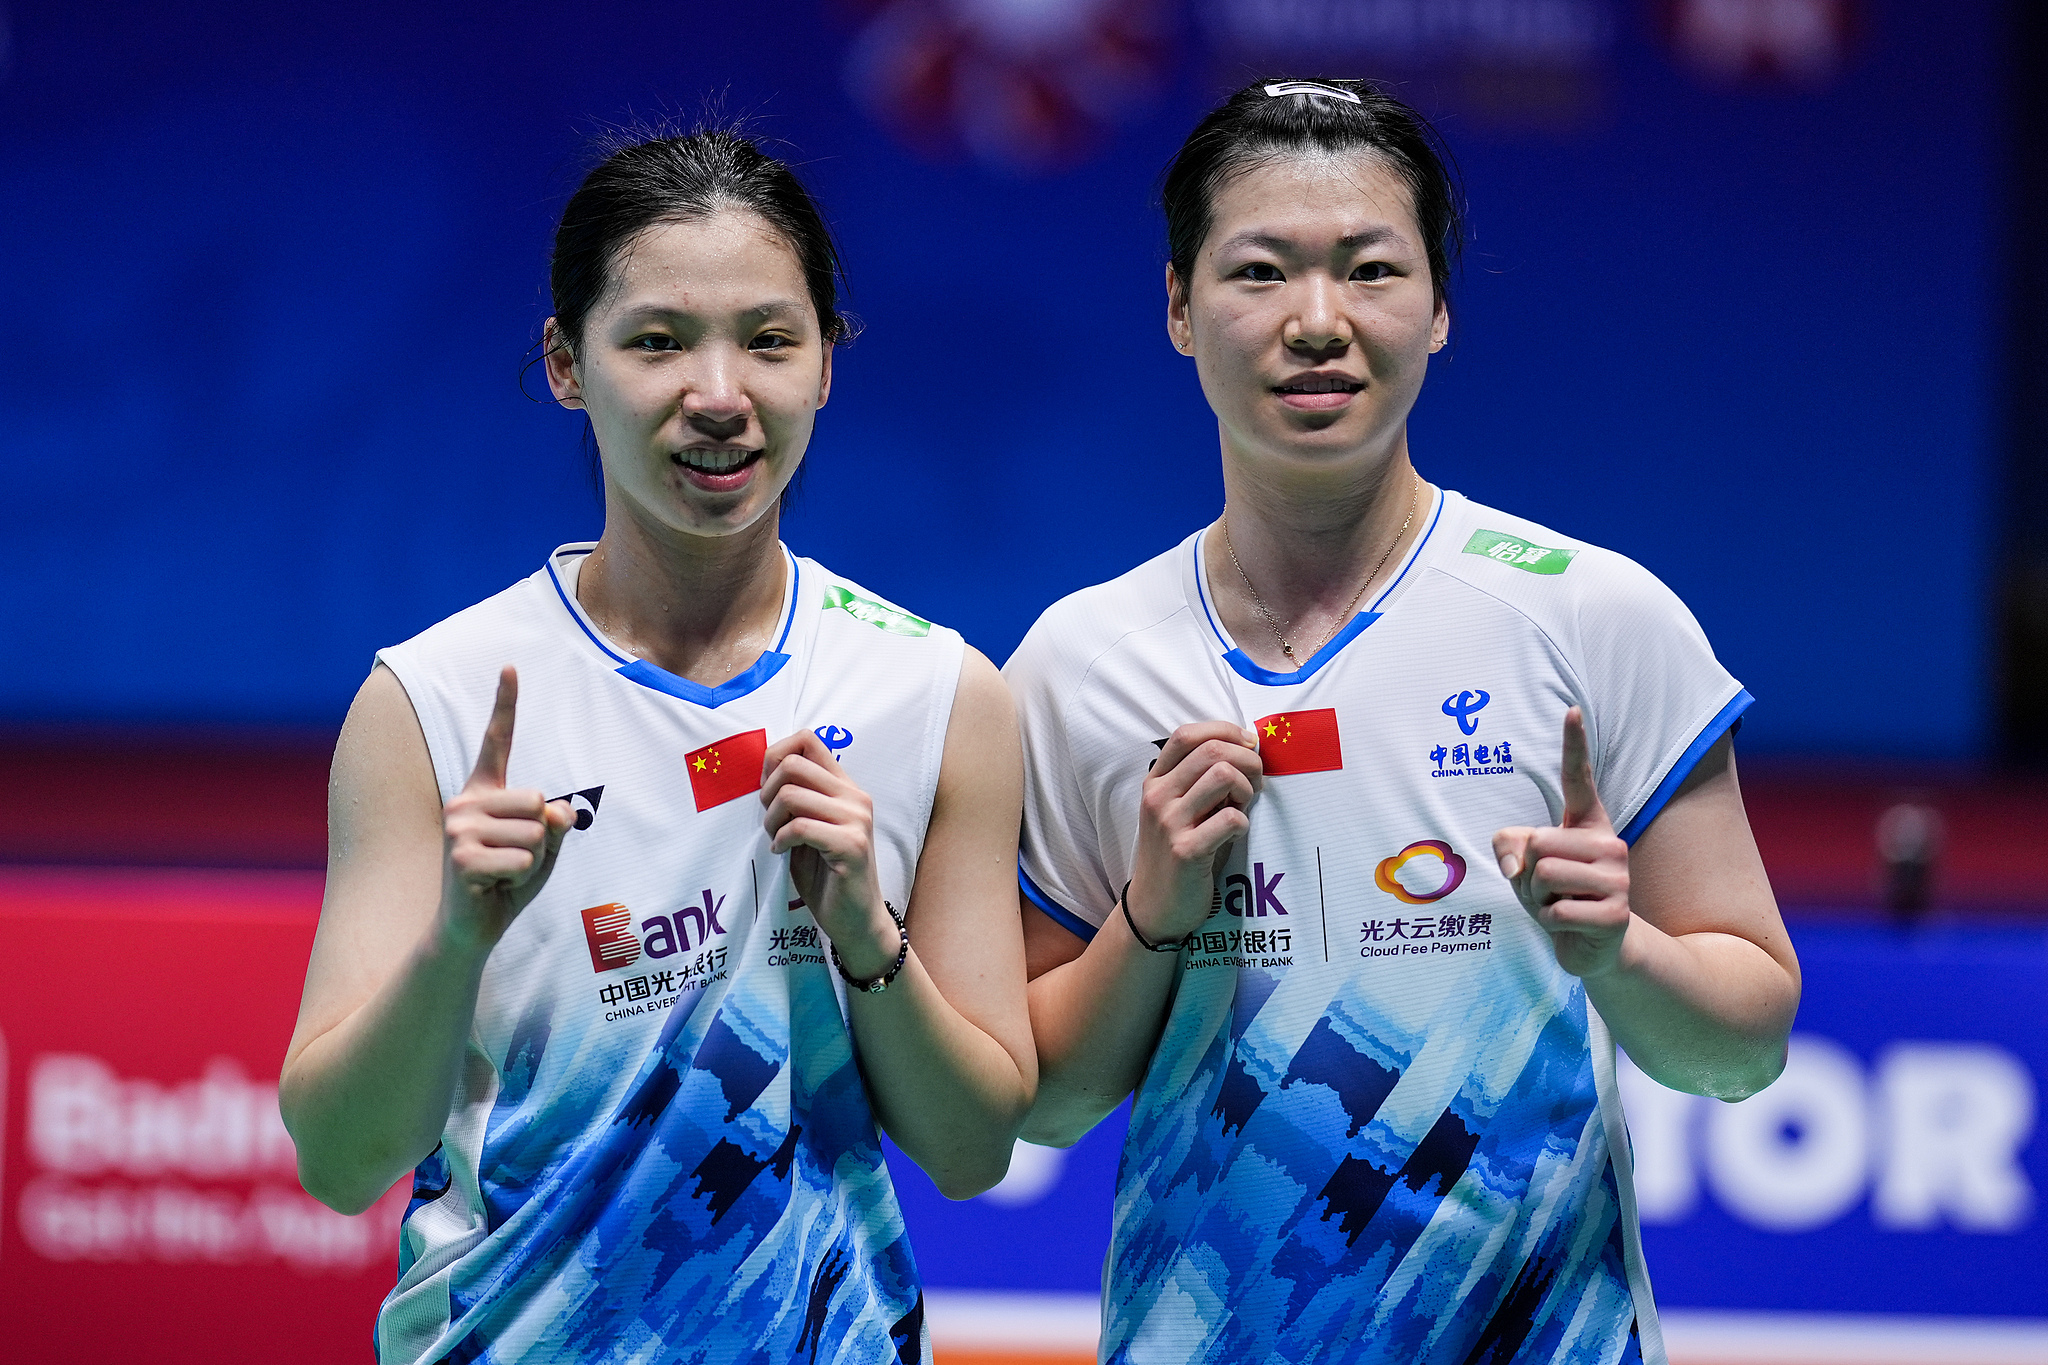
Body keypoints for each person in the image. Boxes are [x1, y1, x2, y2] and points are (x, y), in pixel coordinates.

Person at [1006, 79, 1800, 1364]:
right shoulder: (1077, 663)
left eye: (1369, 270)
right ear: (1175, 308)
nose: (1316, 322)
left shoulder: (1593, 617)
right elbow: (1039, 1106)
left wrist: (1620, 956)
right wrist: (1154, 911)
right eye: (1258, 271)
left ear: (1436, 311)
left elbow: (1742, 1054)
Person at [279, 125, 1035, 1365]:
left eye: (770, 339)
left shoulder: (938, 692)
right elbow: (341, 1160)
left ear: (826, 366)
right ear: (565, 364)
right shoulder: (430, 702)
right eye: (657, 341)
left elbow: (969, 1151)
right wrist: (455, 939)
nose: (720, 395)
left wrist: (863, 932)